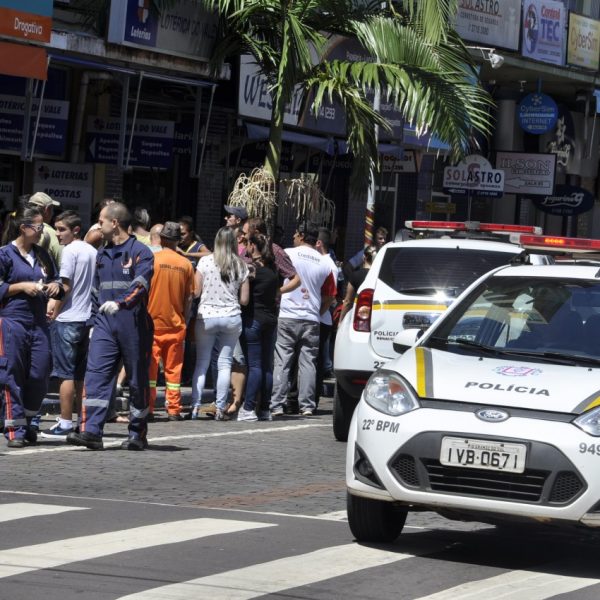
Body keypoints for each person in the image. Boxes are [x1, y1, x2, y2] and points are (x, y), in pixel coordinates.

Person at [67, 202, 154, 451]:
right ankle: (91, 431)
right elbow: (95, 292)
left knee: (137, 380)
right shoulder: (102, 254)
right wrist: (93, 322)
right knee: (96, 375)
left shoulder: (141, 252)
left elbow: (141, 285)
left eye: (101, 221)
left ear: (114, 223)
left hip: (133, 323)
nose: (97, 225)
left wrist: (121, 303)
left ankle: (137, 432)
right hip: (105, 323)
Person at [0, 203, 64, 447]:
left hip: (38, 322)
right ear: (24, 228)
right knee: (11, 374)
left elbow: (55, 279)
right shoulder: (4, 254)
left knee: (39, 374)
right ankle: (14, 430)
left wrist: (56, 287)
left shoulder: (42, 254)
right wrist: (20, 287)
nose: (42, 232)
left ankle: (27, 421)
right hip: (11, 321)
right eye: (39, 227)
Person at [270, 222, 336, 417]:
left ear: (300, 235)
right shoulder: (325, 262)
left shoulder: (286, 253)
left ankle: (277, 404)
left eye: (295, 234)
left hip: (287, 314)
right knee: (308, 363)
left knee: (282, 361)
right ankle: (307, 405)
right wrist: (317, 310)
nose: (292, 237)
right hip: (311, 318)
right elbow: (331, 294)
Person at [41, 210, 97, 439]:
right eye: (56, 228)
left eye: (62, 229)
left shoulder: (69, 251)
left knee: (65, 374)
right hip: (86, 318)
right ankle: (81, 420)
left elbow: (66, 286)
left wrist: (54, 310)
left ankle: (65, 422)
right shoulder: (93, 251)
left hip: (68, 318)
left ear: (75, 230)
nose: (57, 233)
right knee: (80, 374)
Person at [191, 227, 249, 421]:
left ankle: (195, 406)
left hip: (206, 316)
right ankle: (220, 406)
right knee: (225, 364)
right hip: (231, 316)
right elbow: (244, 300)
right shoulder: (240, 265)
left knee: (202, 363)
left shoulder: (205, 262)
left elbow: (196, 292)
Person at [147, 222, 194, 421]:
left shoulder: (152, 260)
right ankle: (174, 408)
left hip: (152, 323)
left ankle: (147, 408)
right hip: (175, 324)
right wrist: (185, 317)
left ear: (162, 239)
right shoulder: (185, 264)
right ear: (177, 241)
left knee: (149, 372)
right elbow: (189, 298)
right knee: (174, 371)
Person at [339, 245, 377, 323]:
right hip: (375, 317)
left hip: (358, 317)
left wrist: (340, 321)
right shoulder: (380, 277)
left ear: (364, 257)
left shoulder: (355, 276)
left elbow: (348, 301)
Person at [28, 191, 62, 267]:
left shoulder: (20, 229)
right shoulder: (53, 234)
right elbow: (62, 266)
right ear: (47, 210)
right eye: (52, 209)